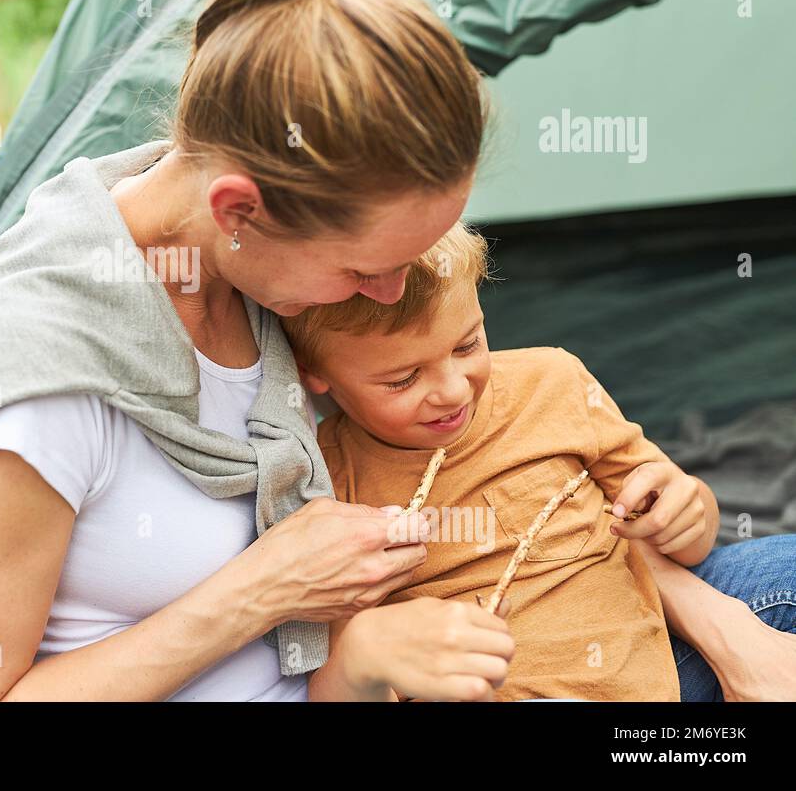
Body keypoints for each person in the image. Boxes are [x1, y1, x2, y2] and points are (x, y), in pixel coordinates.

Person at [0, 0, 513, 701]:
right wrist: (262, 592)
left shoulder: (250, 281)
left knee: (728, 585)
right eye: (364, 271)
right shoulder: (41, 383)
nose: (392, 295)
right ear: (237, 211)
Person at [281, 221, 796, 701]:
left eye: (467, 345)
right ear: (314, 374)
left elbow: (686, 534)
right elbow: (338, 676)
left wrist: (689, 512)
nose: (454, 390)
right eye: (403, 379)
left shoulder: (554, 381)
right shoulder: (324, 478)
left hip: (655, 663)